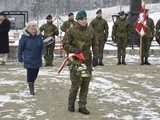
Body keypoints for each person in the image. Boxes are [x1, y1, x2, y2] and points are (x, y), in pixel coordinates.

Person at [62, 10, 94, 115]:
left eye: (85, 19)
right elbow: (65, 44)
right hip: (75, 61)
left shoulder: (90, 30)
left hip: (87, 61)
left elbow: (95, 42)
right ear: (78, 20)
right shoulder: (71, 30)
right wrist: (75, 50)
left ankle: (82, 106)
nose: (84, 21)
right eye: (82, 19)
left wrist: (97, 54)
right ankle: (71, 104)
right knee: (76, 84)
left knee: (85, 84)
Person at [18, 21, 43, 95]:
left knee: (35, 73)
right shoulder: (24, 37)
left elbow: (42, 46)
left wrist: (43, 52)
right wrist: (20, 56)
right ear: (28, 28)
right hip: (28, 58)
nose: (33, 27)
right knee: (30, 73)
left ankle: (31, 82)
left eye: (34, 26)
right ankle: (31, 89)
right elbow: (20, 48)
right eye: (31, 26)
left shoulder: (39, 36)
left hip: (37, 58)